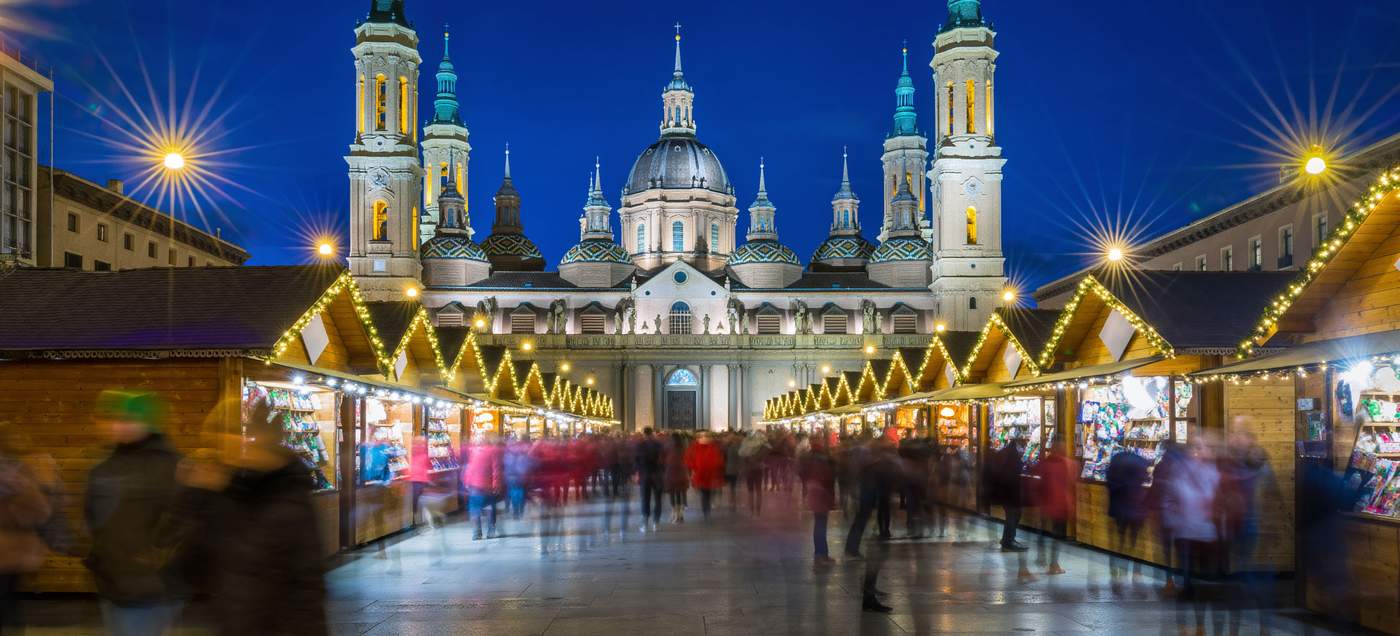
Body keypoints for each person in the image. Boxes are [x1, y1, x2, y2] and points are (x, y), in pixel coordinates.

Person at [197, 398, 328, 636]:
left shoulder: (287, 499)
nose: (235, 446)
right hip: (241, 621)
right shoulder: (238, 491)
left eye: (241, 437)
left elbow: (306, 580)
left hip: (276, 625)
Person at [84, 391, 188, 636]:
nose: (115, 425)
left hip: (147, 589)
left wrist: (153, 556)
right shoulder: (109, 464)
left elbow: (183, 518)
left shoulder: (168, 466)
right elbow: (97, 520)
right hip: (115, 583)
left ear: (146, 423)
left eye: (126, 419)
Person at [0, 423, 52, 633]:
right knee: (9, 605)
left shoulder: (23, 472)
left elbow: (40, 511)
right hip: (15, 552)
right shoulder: (24, 472)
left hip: (11, 552)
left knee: (8, 603)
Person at [1105, 446, 1150, 591]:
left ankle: (1118, 576)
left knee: (1119, 542)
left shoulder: (1115, 462)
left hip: (1118, 509)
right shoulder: (1140, 462)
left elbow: (1109, 483)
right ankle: (1136, 574)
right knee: (1136, 543)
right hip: (1136, 510)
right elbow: (1146, 480)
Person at [1030, 439, 1076, 575]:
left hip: (1045, 503)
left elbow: (1032, 473)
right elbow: (1070, 485)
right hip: (1061, 505)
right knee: (1057, 535)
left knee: (1043, 531)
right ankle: (1053, 564)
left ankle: (1041, 555)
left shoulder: (1044, 463)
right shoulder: (1069, 464)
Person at [799, 436, 836, 565]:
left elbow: (802, 473)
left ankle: (820, 553)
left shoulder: (809, 457)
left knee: (819, 524)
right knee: (821, 524)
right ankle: (822, 554)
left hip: (815, 493)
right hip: (821, 494)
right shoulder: (820, 458)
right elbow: (827, 476)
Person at [987, 435, 1028, 552]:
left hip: (1007, 491)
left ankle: (1008, 539)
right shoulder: (1011, 456)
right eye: (1023, 445)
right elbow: (1011, 472)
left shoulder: (1006, 453)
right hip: (1009, 491)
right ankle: (1008, 541)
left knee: (1013, 514)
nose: (1023, 449)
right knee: (1013, 515)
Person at [462, 435, 503, 540]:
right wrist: (496, 484)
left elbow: (470, 468)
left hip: (474, 485)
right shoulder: (493, 451)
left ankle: (477, 533)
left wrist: (467, 482)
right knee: (489, 507)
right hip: (488, 485)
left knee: (475, 509)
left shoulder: (474, 452)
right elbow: (496, 469)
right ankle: (491, 531)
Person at [684, 432, 725, 520]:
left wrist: (693, 469)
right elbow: (719, 461)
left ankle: (706, 510)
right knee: (708, 493)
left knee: (704, 494)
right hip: (710, 475)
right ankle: (707, 510)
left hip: (701, 475)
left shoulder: (695, 447)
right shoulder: (713, 447)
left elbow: (689, 459)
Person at [635, 428, 665, 532]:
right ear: (652, 433)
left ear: (644, 434)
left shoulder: (640, 445)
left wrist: (638, 472)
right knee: (658, 500)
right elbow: (664, 460)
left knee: (645, 499)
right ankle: (656, 523)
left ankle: (645, 523)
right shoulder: (659, 445)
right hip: (657, 475)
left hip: (645, 475)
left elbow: (636, 461)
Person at [739, 432, 769, 516]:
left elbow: (743, 460)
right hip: (758, 471)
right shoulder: (761, 448)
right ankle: (758, 510)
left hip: (750, 471)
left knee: (751, 492)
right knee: (758, 491)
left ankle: (752, 510)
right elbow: (764, 458)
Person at [664, 432, 690, 523]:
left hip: (671, 472)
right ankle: (680, 514)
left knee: (672, 493)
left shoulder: (668, 447)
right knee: (679, 494)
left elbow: (665, 459)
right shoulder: (683, 447)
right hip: (681, 472)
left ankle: (674, 513)